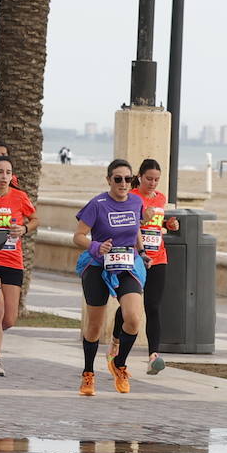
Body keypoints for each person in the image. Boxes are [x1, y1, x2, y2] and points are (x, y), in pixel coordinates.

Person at [73, 159, 147, 395]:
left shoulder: (136, 201)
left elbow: (136, 228)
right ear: (109, 180)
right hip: (97, 265)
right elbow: (78, 236)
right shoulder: (97, 204)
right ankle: (88, 374)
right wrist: (95, 246)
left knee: (133, 319)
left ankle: (120, 363)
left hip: (127, 264)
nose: (123, 183)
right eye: (118, 179)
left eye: (128, 179)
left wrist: (142, 252)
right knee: (95, 325)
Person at [113, 158, 179, 376]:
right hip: (135, 259)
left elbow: (157, 222)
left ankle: (153, 356)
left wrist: (167, 224)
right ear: (139, 177)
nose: (152, 183)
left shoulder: (161, 198)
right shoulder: (132, 197)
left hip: (158, 257)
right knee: (129, 307)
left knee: (153, 307)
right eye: (149, 179)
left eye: (157, 180)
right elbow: (125, 225)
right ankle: (115, 343)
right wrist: (142, 220)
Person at [0, 155, 37, 376]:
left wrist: (24, 229)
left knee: (9, 319)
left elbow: (35, 219)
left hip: (13, 260)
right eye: (0, 172)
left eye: (8, 172)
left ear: (13, 176)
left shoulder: (20, 197)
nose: (4, 176)